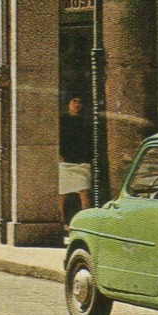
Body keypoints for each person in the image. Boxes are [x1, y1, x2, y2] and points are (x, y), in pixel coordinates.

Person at [59, 93, 94, 229]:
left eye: (79, 102)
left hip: (82, 160)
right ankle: (62, 221)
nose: (77, 105)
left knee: (84, 192)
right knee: (62, 193)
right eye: (74, 101)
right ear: (68, 103)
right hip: (65, 160)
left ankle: (85, 222)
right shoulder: (62, 120)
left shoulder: (86, 120)